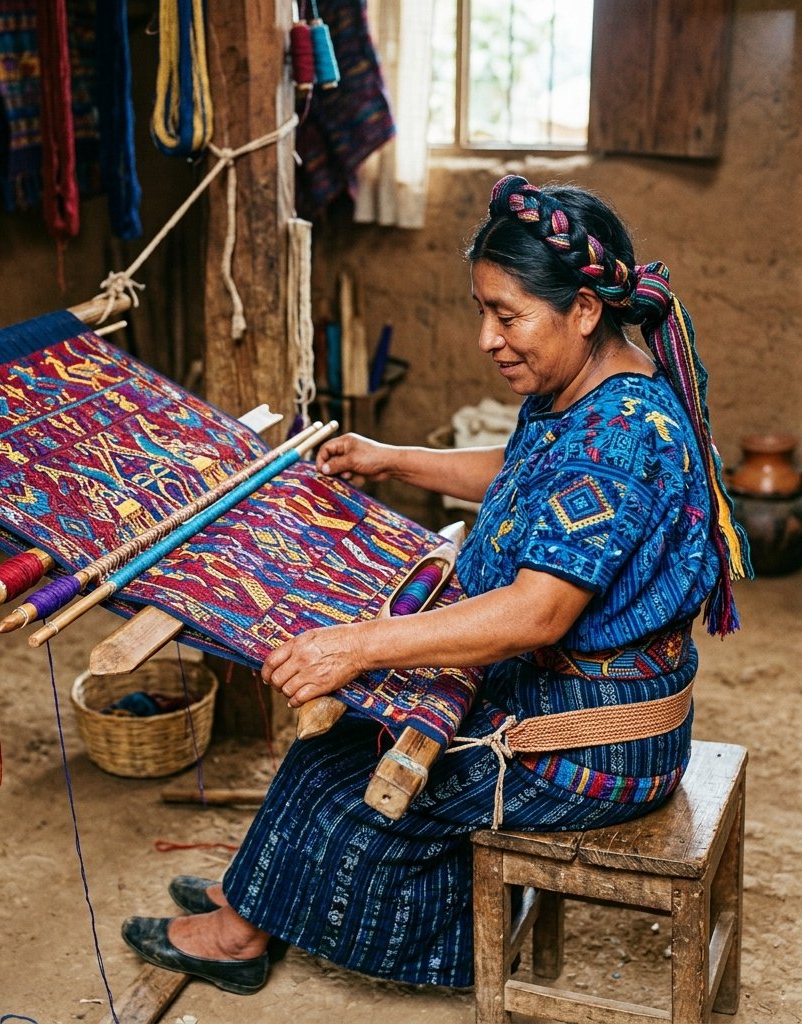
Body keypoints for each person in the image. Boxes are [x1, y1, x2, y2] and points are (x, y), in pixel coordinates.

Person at [120, 175, 751, 994]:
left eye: (508, 316)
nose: (489, 338)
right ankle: (254, 897)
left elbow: (536, 613)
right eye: (482, 311)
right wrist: (392, 459)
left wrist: (355, 645)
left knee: (343, 771)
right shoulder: (590, 388)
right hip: (575, 699)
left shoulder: (623, 434)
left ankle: (241, 933)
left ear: (584, 310)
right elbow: (527, 479)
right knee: (352, 727)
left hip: (596, 742)